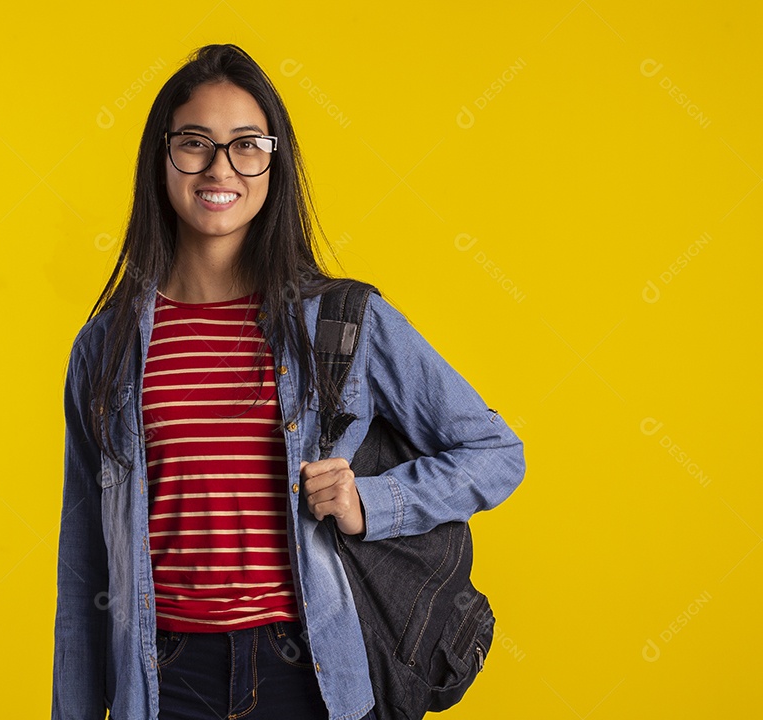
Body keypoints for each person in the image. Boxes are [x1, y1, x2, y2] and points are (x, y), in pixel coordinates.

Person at [54, 43, 525, 720]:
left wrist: (375, 502)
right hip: (163, 679)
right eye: (195, 143)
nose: (221, 168)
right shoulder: (105, 348)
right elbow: (83, 570)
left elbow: (495, 452)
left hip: (307, 673)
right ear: (161, 158)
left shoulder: (343, 321)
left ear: (274, 164)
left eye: (248, 145)